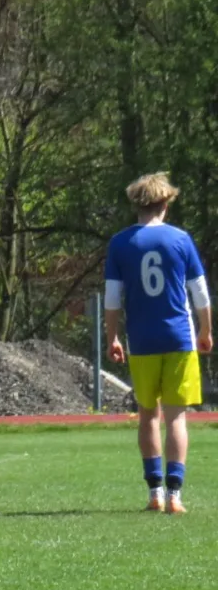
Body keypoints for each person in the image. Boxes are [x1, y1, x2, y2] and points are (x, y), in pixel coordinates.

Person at [104, 171, 213, 514]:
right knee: (176, 417)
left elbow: (112, 298)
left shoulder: (120, 243)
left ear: (136, 204)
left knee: (148, 415)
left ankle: (155, 492)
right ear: (165, 203)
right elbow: (200, 293)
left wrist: (112, 337)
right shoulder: (180, 239)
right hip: (179, 338)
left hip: (142, 341)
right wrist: (206, 330)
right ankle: (175, 495)